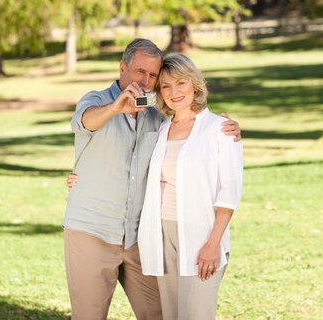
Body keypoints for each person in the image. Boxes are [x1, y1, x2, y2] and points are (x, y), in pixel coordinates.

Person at [63, 38, 240, 320]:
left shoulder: (157, 116)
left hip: (138, 238)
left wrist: (226, 128)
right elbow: (85, 121)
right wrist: (115, 108)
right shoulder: (97, 100)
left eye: (153, 75)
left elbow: (189, 133)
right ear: (123, 68)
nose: (146, 81)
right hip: (93, 230)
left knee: (160, 313)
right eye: (139, 72)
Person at [138, 53, 243, 320]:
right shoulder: (161, 129)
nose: (174, 92)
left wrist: (212, 244)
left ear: (194, 84)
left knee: (197, 314)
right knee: (171, 315)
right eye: (166, 86)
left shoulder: (220, 129)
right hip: (162, 234)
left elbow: (228, 194)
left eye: (181, 83)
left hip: (201, 236)